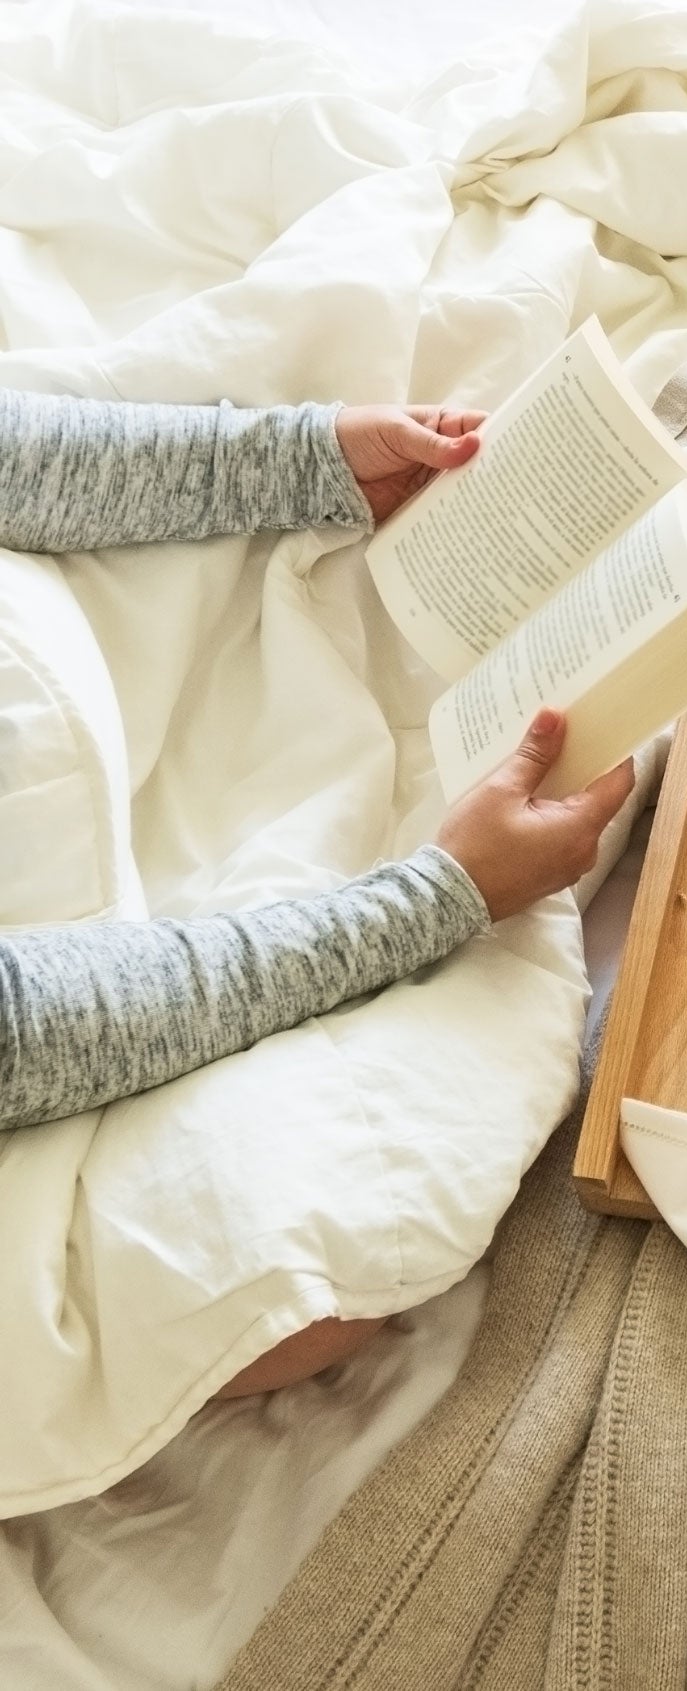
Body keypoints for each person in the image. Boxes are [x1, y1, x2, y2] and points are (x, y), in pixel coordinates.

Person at [0, 388, 634, 1393]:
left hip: (87, 705)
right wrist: (436, 897)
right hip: (76, 1001)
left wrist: (308, 458)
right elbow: (29, 1030)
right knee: (298, 1276)